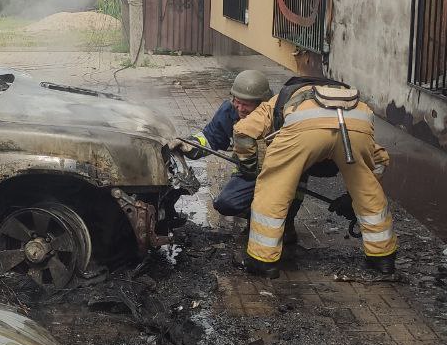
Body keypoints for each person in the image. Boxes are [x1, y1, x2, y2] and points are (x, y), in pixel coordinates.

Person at [231, 79, 396, 279]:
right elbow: (379, 161)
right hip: (357, 125)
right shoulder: (345, 100)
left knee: (273, 189)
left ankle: (262, 260)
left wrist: (249, 166)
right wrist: (351, 197)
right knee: (368, 191)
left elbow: (243, 132)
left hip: (305, 131)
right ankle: (383, 258)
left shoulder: (278, 100)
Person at [167, 70, 316, 242]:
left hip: (285, 174)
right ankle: (257, 219)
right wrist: (190, 145)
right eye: (237, 101)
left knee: (282, 206)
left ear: (263, 103)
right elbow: (210, 137)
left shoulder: (282, 116)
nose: (240, 108)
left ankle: (284, 224)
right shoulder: (230, 111)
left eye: (246, 104)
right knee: (225, 203)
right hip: (249, 172)